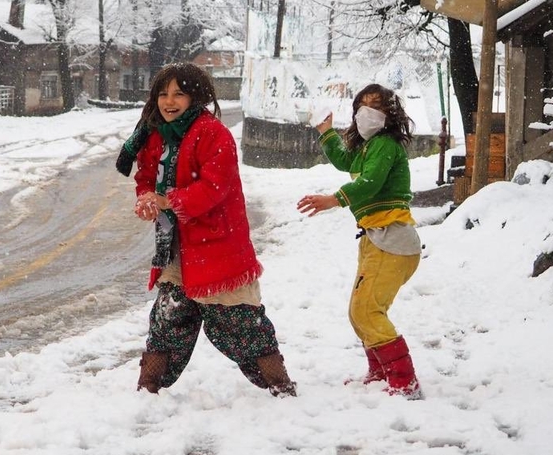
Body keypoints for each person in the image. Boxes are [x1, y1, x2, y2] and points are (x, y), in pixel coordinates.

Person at [115, 62, 297, 397]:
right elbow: (145, 175)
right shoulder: (154, 134)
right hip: (175, 249)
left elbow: (214, 188)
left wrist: (167, 200)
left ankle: (279, 385)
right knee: (168, 319)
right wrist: (146, 197)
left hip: (217, 248)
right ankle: (149, 386)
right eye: (163, 93)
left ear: (195, 97)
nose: (169, 101)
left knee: (241, 323)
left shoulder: (214, 134)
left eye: (179, 94)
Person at [296, 83, 423, 400]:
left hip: (392, 238)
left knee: (367, 310)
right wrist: (326, 132)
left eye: (376, 106)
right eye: (362, 106)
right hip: (374, 237)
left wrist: (333, 199)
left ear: (389, 113)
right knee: (359, 311)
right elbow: (344, 160)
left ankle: (403, 380)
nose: (367, 112)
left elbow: (370, 183)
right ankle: (380, 372)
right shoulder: (368, 147)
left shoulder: (385, 145)